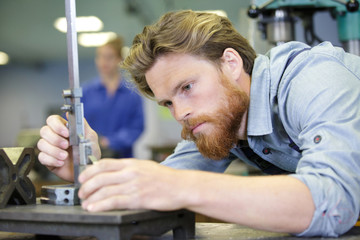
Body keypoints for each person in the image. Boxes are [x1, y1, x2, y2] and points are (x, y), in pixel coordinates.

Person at [37, 10, 360, 237]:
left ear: (231, 63)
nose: (179, 113)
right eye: (168, 102)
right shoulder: (222, 121)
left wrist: (180, 189)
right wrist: (89, 168)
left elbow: (334, 202)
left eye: (187, 87)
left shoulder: (311, 78)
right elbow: (156, 187)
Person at [81, 36, 144, 158]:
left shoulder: (132, 94)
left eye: (109, 57)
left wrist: (109, 142)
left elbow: (136, 127)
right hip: (91, 157)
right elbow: (74, 123)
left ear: (119, 60)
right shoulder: (85, 92)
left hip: (122, 158)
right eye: (100, 56)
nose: (104, 61)